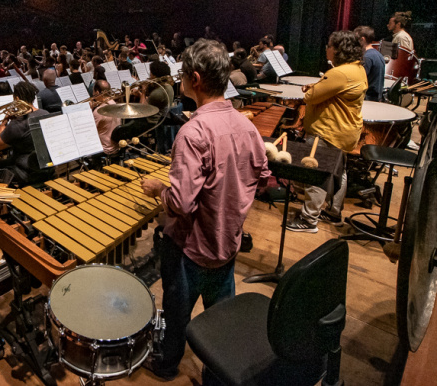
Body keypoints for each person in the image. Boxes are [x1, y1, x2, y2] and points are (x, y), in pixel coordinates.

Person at [140, 39, 269, 381]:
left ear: (194, 79)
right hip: (228, 242)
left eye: (182, 75)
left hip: (191, 250)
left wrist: (160, 190)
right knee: (222, 318)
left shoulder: (192, 132)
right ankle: (219, 373)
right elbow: (263, 176)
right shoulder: (247, 126)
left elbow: (181, 204)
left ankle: (167, 366)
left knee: (176, 317)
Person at [287, 30, 366, 233]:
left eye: (329, 45)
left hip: (329, 130)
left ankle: (309, 219)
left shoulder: (339, 73)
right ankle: (333, 212)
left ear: (338, 49)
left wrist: (311, 90)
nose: (326, 48)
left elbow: (311, 97)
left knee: (316, 172)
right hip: (346, 131)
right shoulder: (356, 69)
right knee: (340, 172)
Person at [0, 82, 50, 183]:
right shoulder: (45, 113)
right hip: (45, 162)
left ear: (17, 99)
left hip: (26, 168)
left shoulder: (17, 124)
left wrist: (4, 121)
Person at [91, 80, 121, 156]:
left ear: (97, 92)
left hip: (104, 150)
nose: (93, 94)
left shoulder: (98, 111)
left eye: (93, 92)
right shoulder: (115, 104)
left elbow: (91, 132)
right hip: (117, 147)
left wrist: (90, 111)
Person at [355, 26, 385, 102]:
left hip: (368, 99)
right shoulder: (378, 54)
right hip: (375, 98)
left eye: (356, 40)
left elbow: (359, 81)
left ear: (362, 39)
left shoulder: (367, 57)